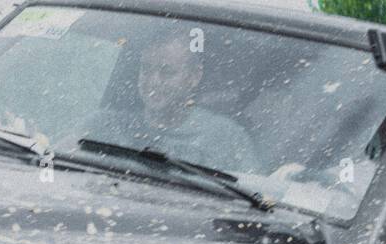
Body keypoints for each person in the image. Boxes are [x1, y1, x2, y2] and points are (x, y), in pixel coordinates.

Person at [70, 29, 258, 172]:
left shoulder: (226, 138)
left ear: (194, 76)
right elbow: (54, 161)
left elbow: (258, 196)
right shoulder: (101, 127)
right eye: (146, 69)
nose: (153, 82)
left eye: (167, 72)